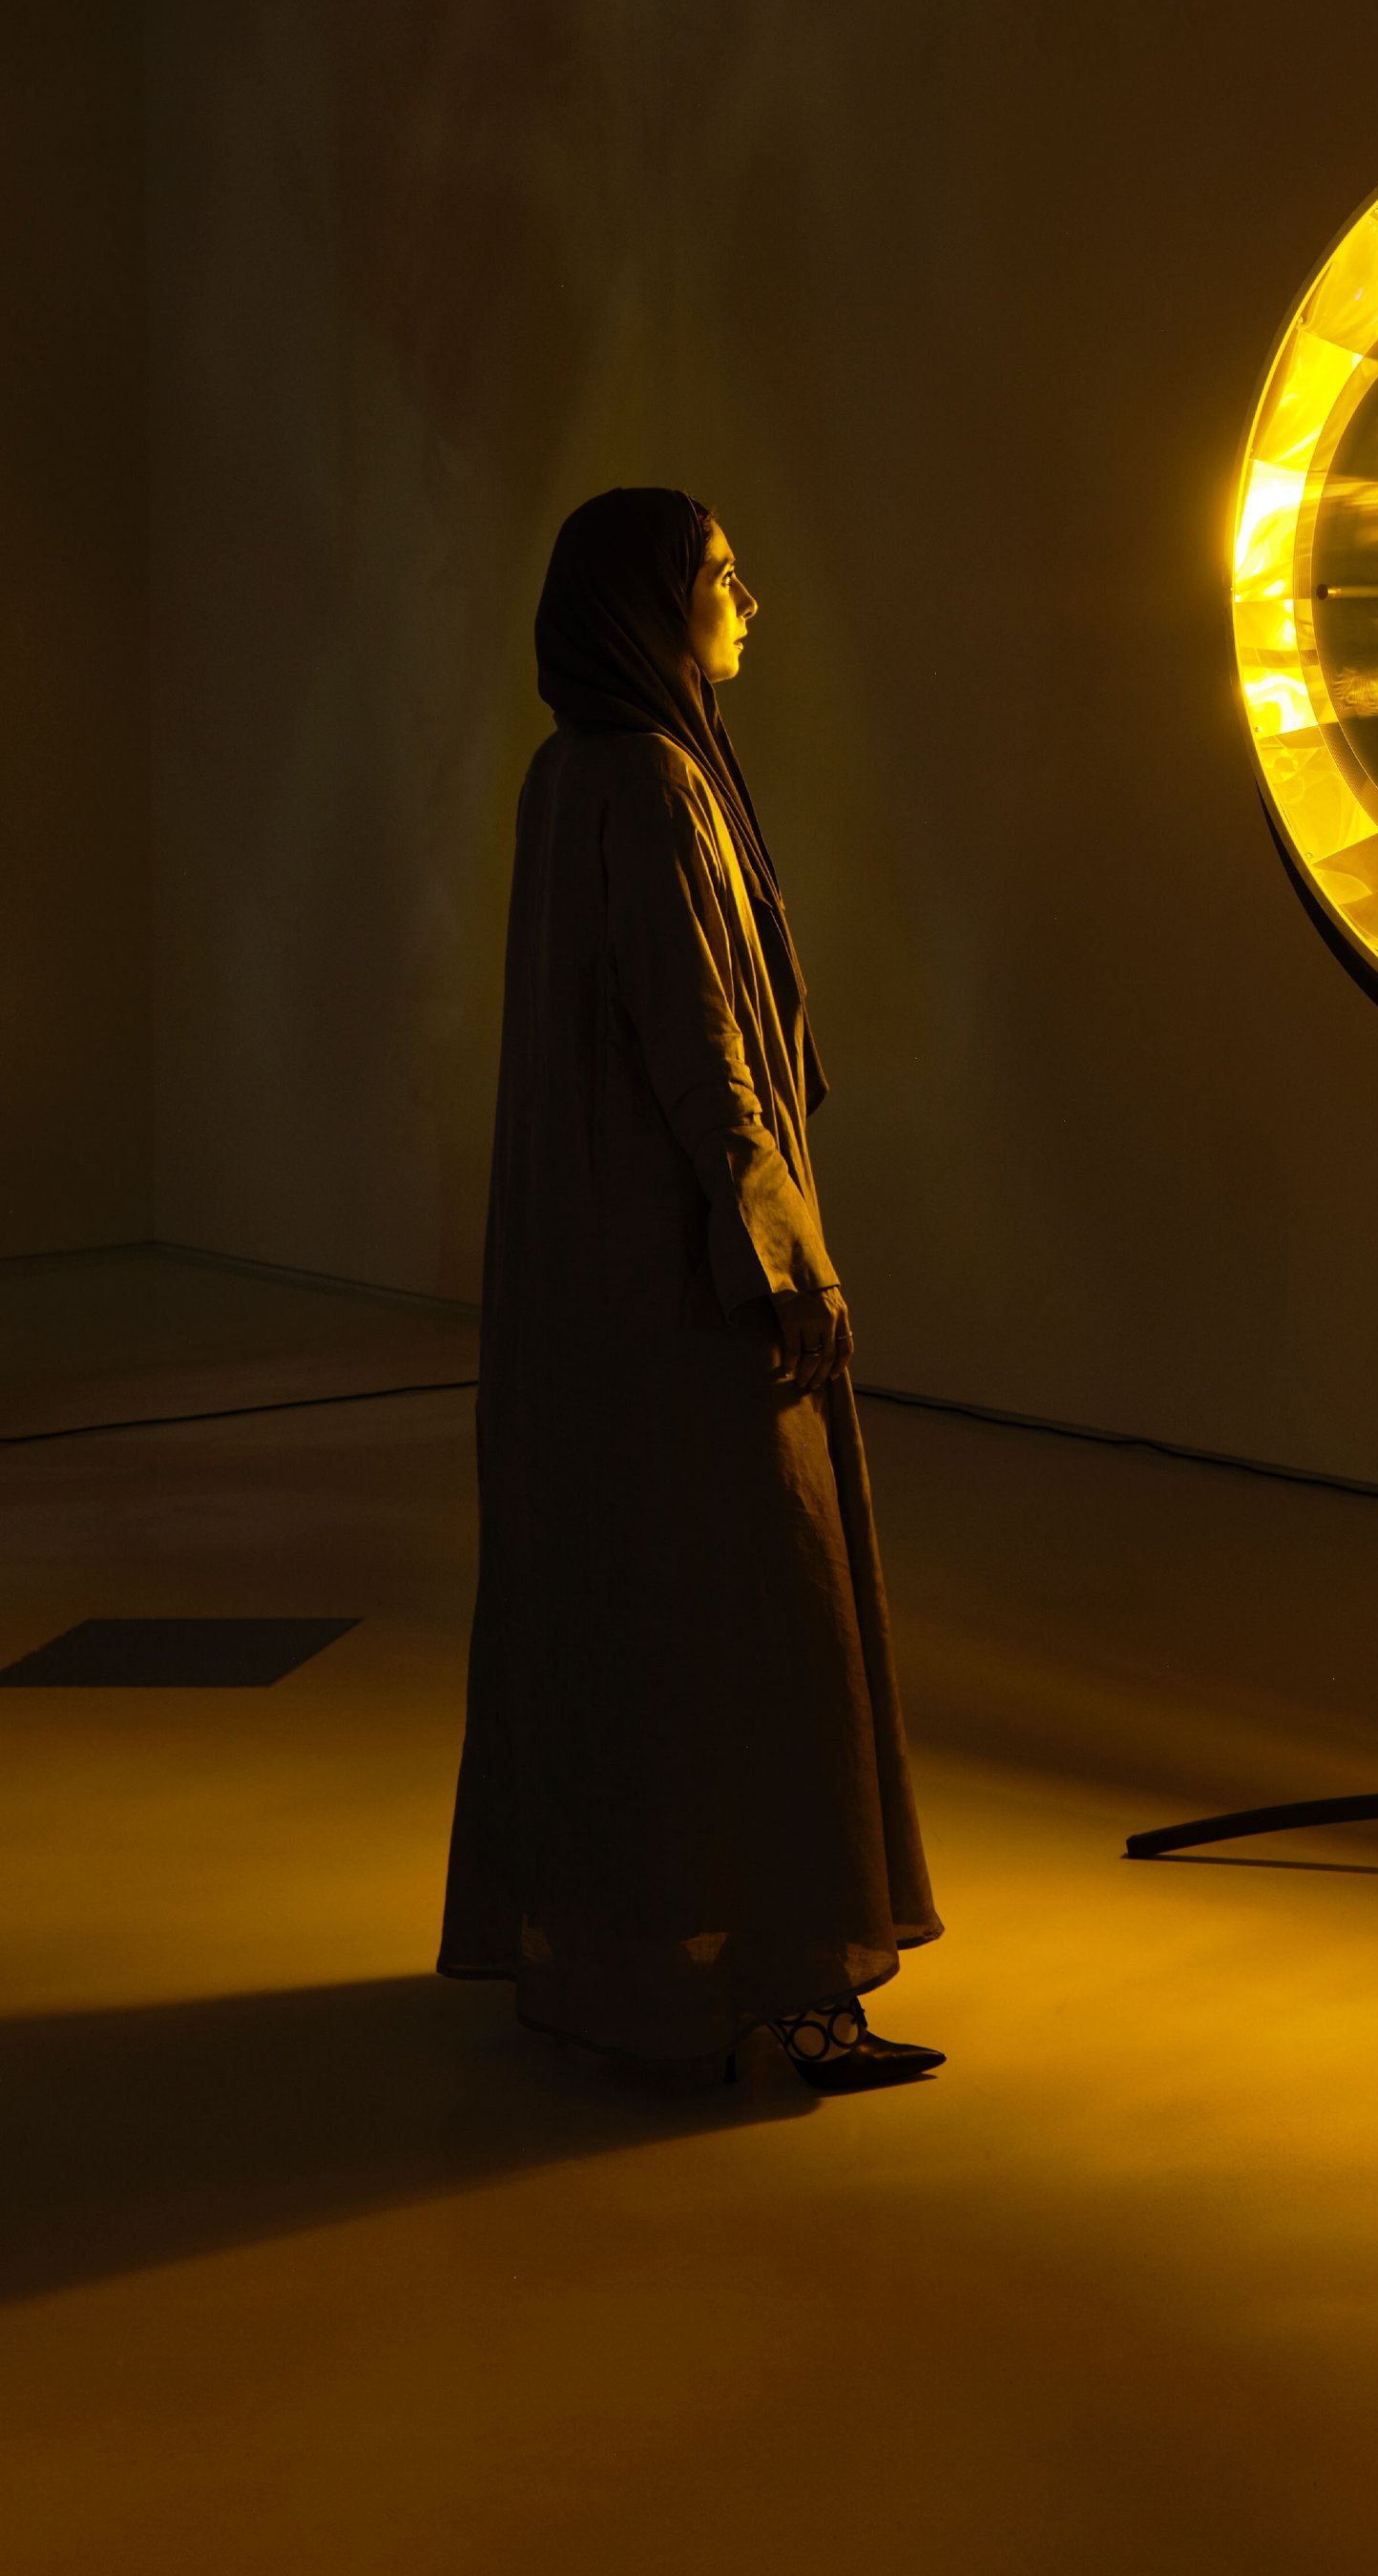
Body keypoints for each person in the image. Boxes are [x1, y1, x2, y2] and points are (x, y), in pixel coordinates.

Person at [439, 488, 942, 2092]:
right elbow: (702, 1054)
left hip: (594, 1283)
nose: (748, 605)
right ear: (652, 606)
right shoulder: (653, 789)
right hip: (680, 1287)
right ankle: (786, 1994)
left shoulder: (567, 775)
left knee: (625, 1610)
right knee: (753, 1614)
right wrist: (785, 1261)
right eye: (720, 579)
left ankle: (622, 1969)